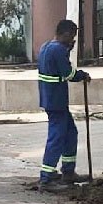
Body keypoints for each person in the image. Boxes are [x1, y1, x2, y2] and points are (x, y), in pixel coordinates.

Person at [37, 20, 91, 192]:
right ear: (66, 34)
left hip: (52, 99)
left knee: (70, 133)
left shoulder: (46, 47)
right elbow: (68, 73)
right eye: (72, 36)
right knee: (57, 137)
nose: (73, 40)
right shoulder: (59, 50)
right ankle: (46, 178)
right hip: (56, 101)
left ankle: (68, 171)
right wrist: (83, 75)